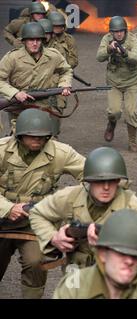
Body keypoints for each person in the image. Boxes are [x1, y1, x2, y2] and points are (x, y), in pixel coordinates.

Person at [0, 109, 85, 299]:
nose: (37, 140)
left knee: (36, 262)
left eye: (42, 136)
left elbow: (92, 175)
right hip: (1, 217)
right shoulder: (2, 150)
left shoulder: (60, 153)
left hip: (35, 222)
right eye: (31, 136)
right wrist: (8, 208)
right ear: (20, 134)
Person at [29, 147, 137, 268]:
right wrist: (53, 237)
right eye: (100, 181)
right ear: (89, 181)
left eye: (112, 180)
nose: (106, 187)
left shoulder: (133, 206)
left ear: (119, 181)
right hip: (76, 273)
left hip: (117, 276)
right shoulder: (71, 196)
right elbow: (37, 213)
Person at [53, 209, 137, 299]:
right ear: (102, 254)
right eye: (121, 254)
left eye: (135, 255)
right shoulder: (74, 289)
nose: (129, 261)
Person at [0, 22, 72, 135]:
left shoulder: (53, 55)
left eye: (38, 40)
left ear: (43, 40)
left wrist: (64, 84)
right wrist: (15, 93)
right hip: (19, 106)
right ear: (24, 41)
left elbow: (66, 70)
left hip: (44, 105)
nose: (34, 43)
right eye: (30, 40)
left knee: (48, 137)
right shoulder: (12, 58)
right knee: (20, 138)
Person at [96, 16, 137, 153]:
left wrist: (124, 52)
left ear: (125, 30)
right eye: (116, 31)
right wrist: (109, 49)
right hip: (114, 80)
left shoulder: (133, 39)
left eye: (121, 31)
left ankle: (132, 141)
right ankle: (111, 124)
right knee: (114, 111)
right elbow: (99, 57)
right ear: (111, 32)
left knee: (131, 112)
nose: (119, 34)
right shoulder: (107, 39)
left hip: (132, 80)